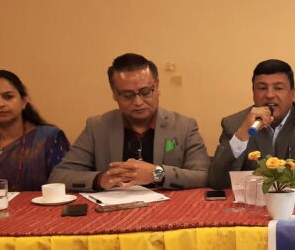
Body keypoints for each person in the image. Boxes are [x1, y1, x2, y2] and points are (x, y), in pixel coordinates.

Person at [50, 53, 210, 191]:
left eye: (146, 92)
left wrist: (157, 174)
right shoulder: (97, 127)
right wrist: (100, 179)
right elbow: (59, 176)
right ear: (114, 93)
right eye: (127, 95)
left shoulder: (184, 126)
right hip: (113, 212)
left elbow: (204, 176)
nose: (138, 102)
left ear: (157, 87)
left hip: (169, 211)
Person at [207, 59, 295, 188]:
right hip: (251, 200)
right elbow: (217, 181)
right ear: (253, 93)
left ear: (292, 93)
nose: (270, 95)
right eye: (262, 88)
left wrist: (260, 179)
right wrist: (242, 135)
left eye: (278, 88)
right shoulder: (234, 124)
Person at [0, 69, 70, 191]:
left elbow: (63, 186)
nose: (0, 104)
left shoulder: (49, 138)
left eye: (8, 97)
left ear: (24, 101)